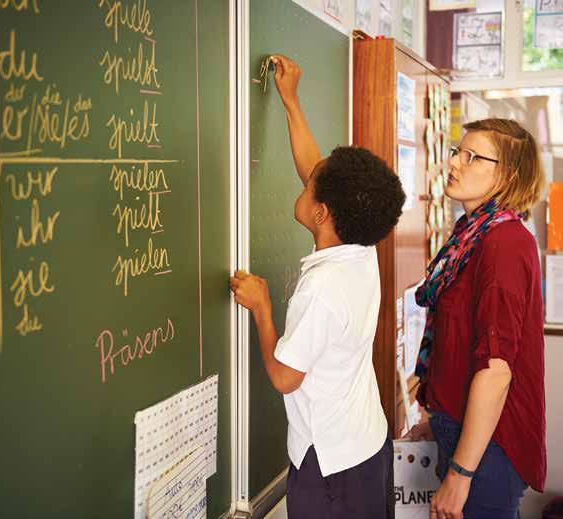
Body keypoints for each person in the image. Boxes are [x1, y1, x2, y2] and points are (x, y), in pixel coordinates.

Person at [230, 55, 405, 518]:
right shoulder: (361, 245)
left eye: (312, 186)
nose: (306, 180)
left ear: (323, 212)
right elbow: (318, 171)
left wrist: (262, 309)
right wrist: (291, 102)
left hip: (330, 467)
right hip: (364, 444)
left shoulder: (323, 289)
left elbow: (286, 377)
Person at [407, 119, 547, 519]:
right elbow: (457, 345)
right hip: (463, 429)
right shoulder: (471, 234)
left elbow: (496, 371)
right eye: (456, 151)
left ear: (507, 175)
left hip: (489, 449)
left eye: (472, 157)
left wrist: (461, 475)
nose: (454, 163)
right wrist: (438, 420)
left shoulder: (504, 243)